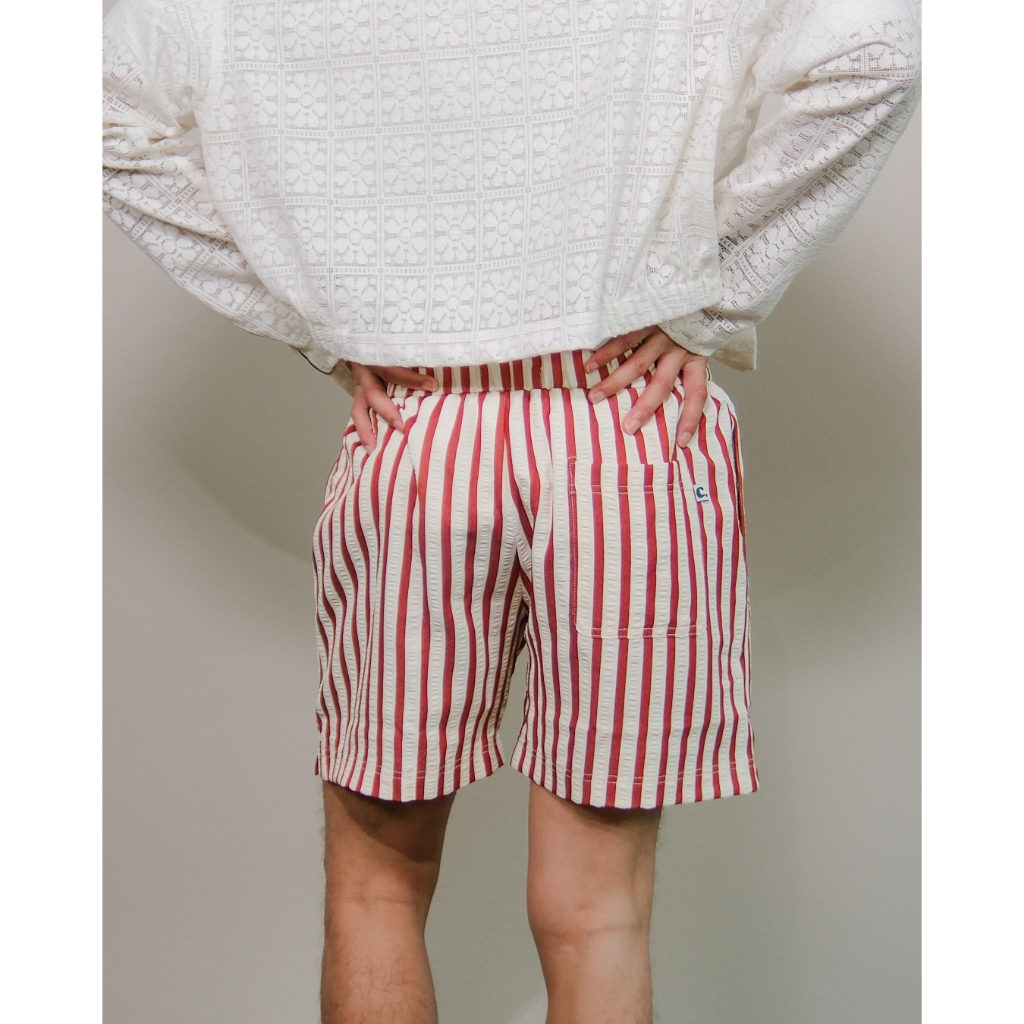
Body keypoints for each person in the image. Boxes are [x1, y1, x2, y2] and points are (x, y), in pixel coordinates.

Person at [103, 1, 921, 1020]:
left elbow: (97, 106)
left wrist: (316, 316)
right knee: (598, 912)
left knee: (376, 886)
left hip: (420, 428)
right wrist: (713, 289)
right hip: (628, 419)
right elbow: (875, 57)